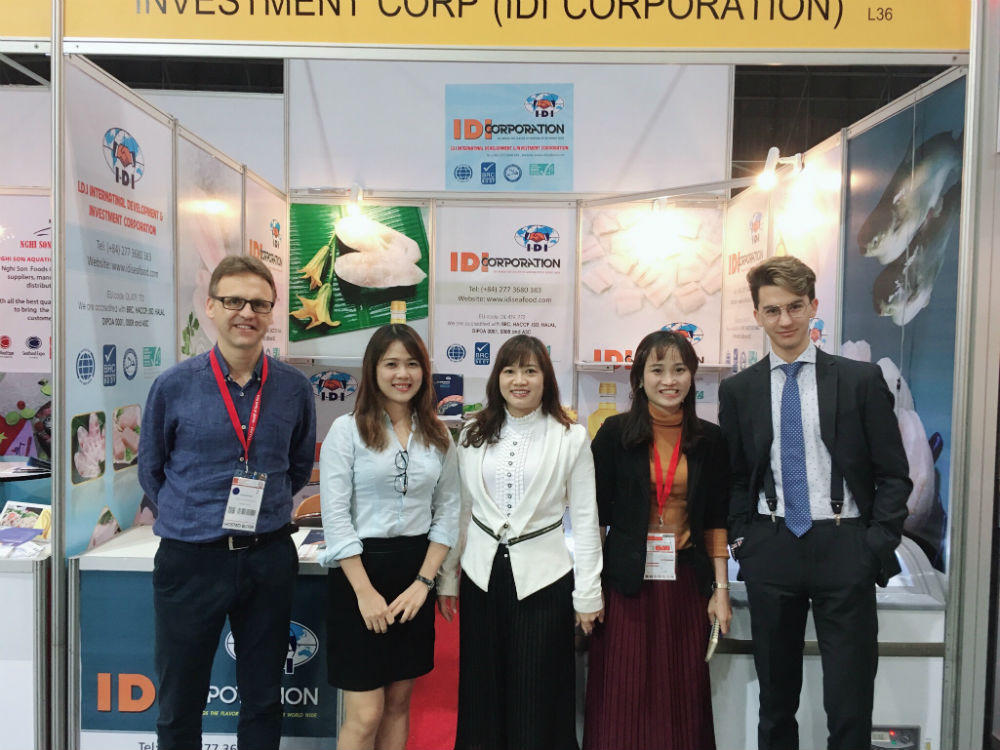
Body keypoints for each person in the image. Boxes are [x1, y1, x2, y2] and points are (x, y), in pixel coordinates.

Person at [718, 255, 911, 750]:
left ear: (813, 307)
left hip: (845, 546)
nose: (784, 320)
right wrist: (744, 541)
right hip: (772, 546)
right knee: (775, 703)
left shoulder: (860, 380)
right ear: (757, 315)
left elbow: (893, 474)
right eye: (772, 310)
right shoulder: (739, 390)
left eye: (794, 307)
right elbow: (735, 477)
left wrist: (875, 544)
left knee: (849, 704)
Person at [138, 255, 316, 750]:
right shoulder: (174, 385)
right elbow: (151, 470)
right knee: (179, 702)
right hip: (190, 559)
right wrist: (193, 514)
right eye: (234, 301)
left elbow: (297, 467)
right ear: (211, 306)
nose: (247, 313)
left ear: (272, 312)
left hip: (267, 558)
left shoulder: (294, 389)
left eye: (259, 304)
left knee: (263, 699)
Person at [437, 334, 604, 750]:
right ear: (497, 378)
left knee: (538, 696)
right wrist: (448, 577)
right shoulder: (473, 431)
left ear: (546, 378)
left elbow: (586, 519)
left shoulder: (570, 436)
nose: (520, 380)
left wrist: (588, 593)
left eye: (530, 370)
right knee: (482, 695)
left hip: (545, 580)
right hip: (481, 577)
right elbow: (461, 508)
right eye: (510, 370)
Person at [583, 330, 732, 750]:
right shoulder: (613, 434)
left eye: (679, 370)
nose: (669, 380)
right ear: (639, 378)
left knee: (682, 697)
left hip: (685, 583)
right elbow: (594, 518)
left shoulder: (710, 440)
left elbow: (716, 520)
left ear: (692, 377)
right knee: (620, 695)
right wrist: (590, 586)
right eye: (658, 370)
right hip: (624, 584)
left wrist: (721, 590)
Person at [318, 324, 460, 750]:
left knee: (399, 704)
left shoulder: (439, 434)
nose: (403, 374)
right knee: (365, 715)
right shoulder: (346, 431)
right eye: (392, 364)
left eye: (412, 364)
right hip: (359, 576)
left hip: (414, 576)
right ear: (373, 369)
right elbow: (335, 516)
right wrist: (364, 592)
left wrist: (425, 582)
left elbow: (448, 510)